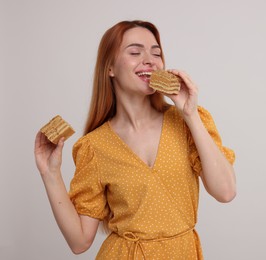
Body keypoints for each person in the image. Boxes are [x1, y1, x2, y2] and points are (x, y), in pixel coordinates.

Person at [34, 20, 236, 259]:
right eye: (135, 52)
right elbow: (79, 242)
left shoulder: (188, 122)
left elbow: (226, 192)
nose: (150, 59)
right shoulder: (94, 146)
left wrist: (190, 114)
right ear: (110, 67)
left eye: (156, 53)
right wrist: (50, 174)